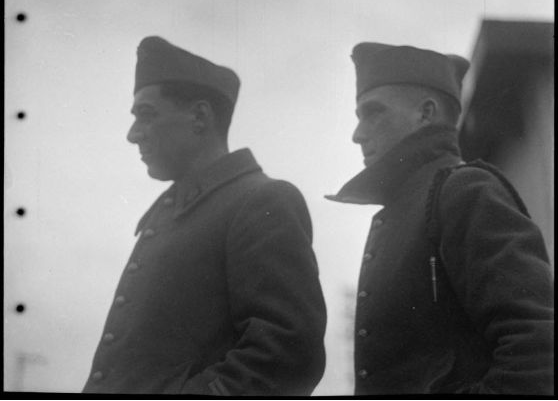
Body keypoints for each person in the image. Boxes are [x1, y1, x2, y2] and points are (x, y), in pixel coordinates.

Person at [83, 36, 327, 395]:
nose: (133, 134)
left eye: (146, 115)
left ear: (199, 116)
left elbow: (287, 353)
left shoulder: (261, 200)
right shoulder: (171, 212)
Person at [327, 42, 554, 395]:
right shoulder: (403, 209)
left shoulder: (465, 190)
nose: (358, 134)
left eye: (373, 112)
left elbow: (538, 345)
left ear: (426, 113)